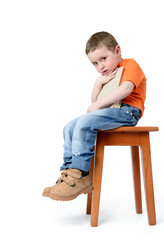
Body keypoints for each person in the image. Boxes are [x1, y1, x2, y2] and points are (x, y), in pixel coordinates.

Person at [42, 31, 147, 201]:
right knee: (69, 127)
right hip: (112, 111)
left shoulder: (130, 64)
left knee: (85, 121)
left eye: (103, 59)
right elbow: (97, 102)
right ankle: (68, 174)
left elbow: (126, 89)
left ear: (117, 50)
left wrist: (96, 105)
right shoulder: (107, 76)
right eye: (95, 64)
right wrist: (98, 83)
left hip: (128, 111)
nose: (100, 66)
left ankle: (80, 174)